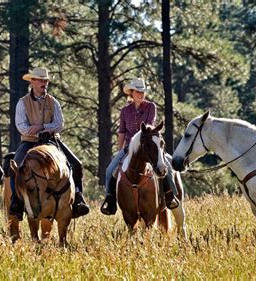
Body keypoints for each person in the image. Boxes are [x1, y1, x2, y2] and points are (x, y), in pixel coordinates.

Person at [9, 67, 90, 220]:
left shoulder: (54, 102)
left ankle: (78, 198)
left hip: (52, 140)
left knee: (77, 164)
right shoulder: (22, 103)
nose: (44, 83)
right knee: (15, 168)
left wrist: (42, 127)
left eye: (45, 80)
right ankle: (16, 201)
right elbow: (21, 126)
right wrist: (36, 131)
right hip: (29, 142)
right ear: (32, 82)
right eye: (40, 80)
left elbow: (60, 124)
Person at [100, 78, 179, 215]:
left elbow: (149, 126)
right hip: (129, 147)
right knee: (109, 171)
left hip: (149, 146)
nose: (141, 94)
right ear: (132, 92)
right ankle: (110, 200)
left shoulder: (151, 107)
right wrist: (120, 151)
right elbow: (122, 132)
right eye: (138, 92)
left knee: (167, 167)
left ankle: (170, 195)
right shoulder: (125, 111)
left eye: (142, 92)